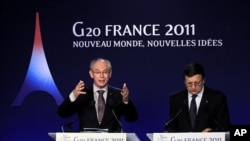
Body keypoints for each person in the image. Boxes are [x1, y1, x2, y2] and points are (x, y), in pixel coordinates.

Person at [58, 58, 138, 132]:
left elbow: (132, 118)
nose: (101, 76)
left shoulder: (119, 94)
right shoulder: (82, 94)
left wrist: (126, 101)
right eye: (97, 72)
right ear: (91, 74)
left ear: (110, 74)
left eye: (105, 72)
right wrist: (73, 95)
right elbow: (62, 113)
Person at [165, 62, 230, 132]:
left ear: (203, 80)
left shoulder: (217, 98)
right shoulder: (175, 99)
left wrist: (212, 132)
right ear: (184, 82)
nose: (193, 87)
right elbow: (172, 126)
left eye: (197, 83)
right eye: (189, 83)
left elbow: (225, 126)